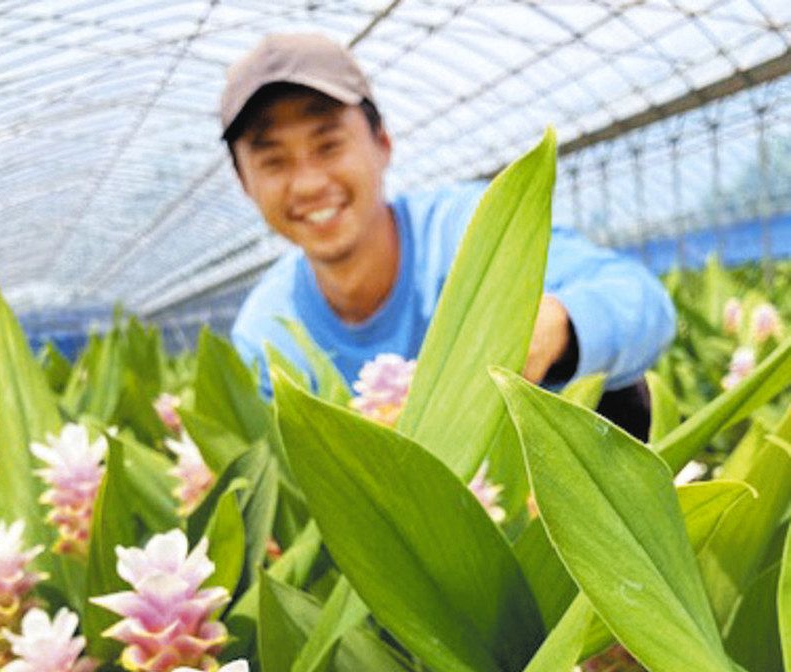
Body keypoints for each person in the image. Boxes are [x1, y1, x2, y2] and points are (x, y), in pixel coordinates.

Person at [221, 32, 675, 438]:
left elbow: (641, 303)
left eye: (328, 145)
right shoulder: (267, 337)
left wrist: (555, 328)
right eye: (273, 160)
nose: (309, 184)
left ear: (382, 143)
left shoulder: (472, 229)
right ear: (244, 184)